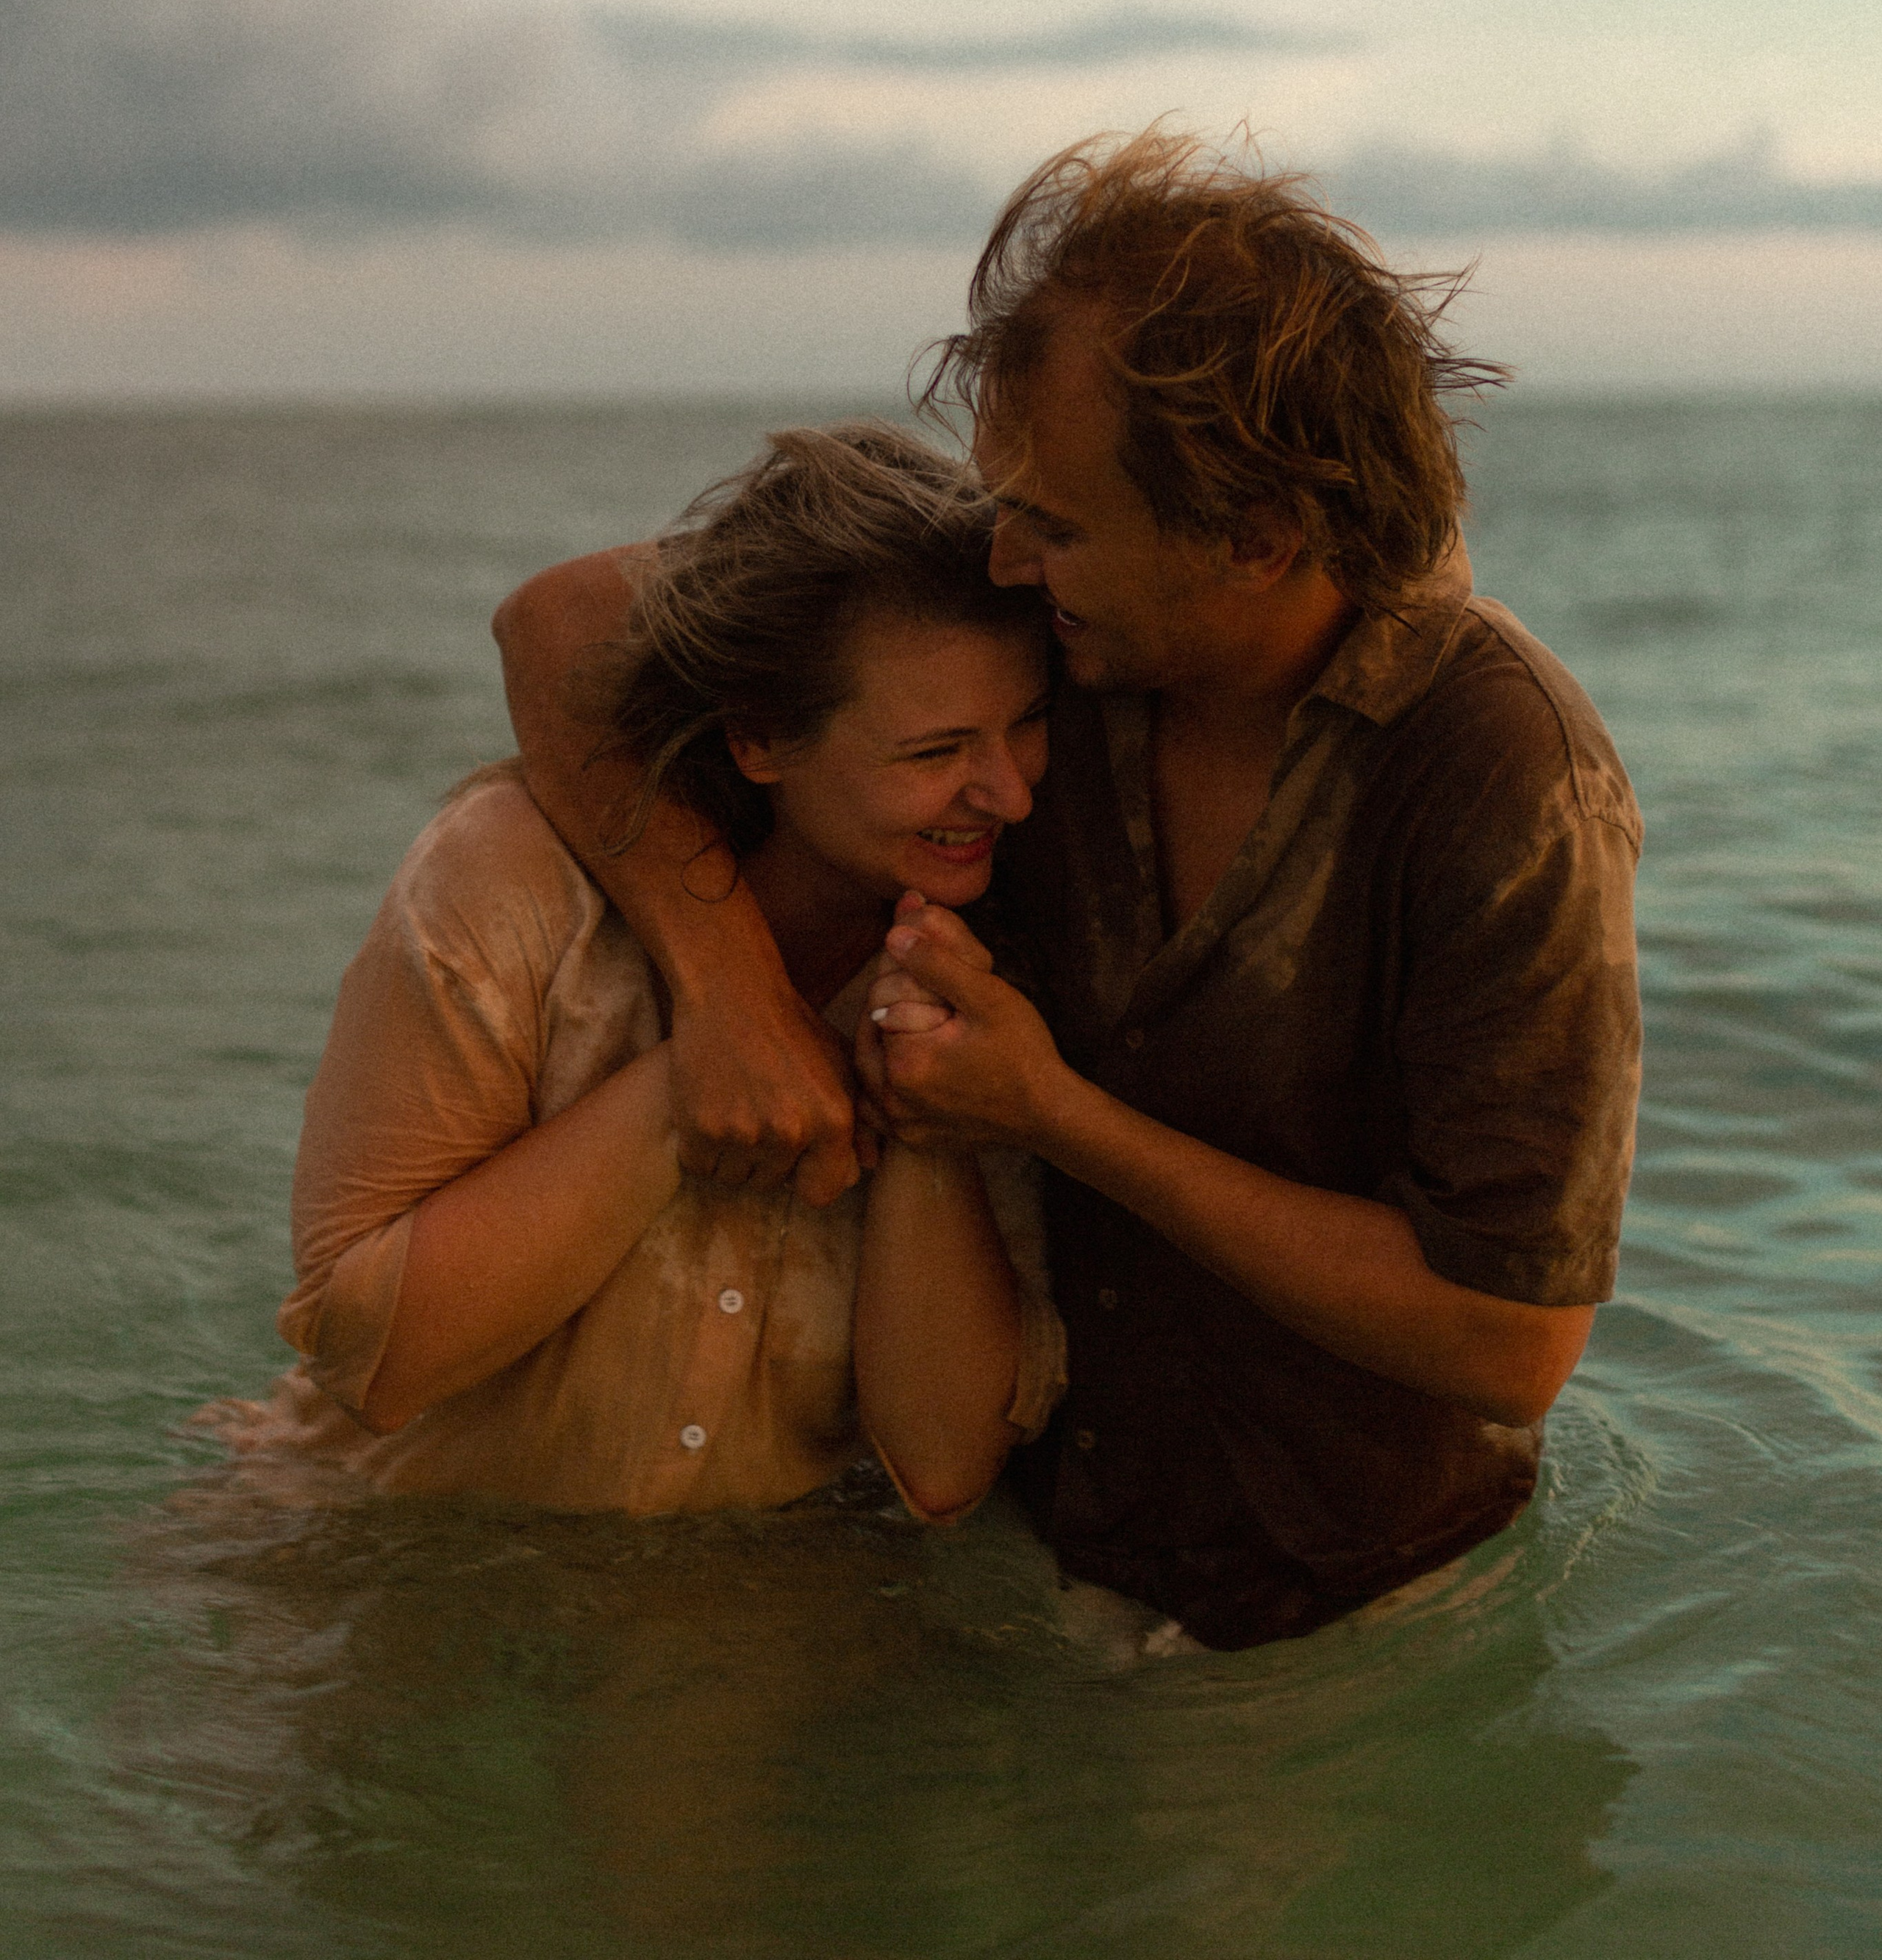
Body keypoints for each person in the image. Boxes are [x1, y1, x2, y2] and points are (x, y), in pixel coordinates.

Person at [495, 133, 1642, 1648]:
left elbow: (1508, 1340)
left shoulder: (1502, 770)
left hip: (1346, 1619)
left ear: (1255, 538)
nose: (1003, 556)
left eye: (1055, 524)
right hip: (995, 1552)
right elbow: (563, 624)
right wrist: (730, 997)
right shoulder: (1055, 614)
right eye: (1005, 503)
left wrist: (1054, 1116)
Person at [206, 423, 1064, 1523]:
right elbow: (373, 1363)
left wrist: (925, 1124)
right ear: (759, 739)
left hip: (745, 1601)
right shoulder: (514, 879)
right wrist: (698, 1068)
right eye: (935, 752)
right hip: (354, 1551)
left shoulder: (1005, 972)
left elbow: (942, 1472)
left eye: (1028, 726)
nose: (1010, 793)